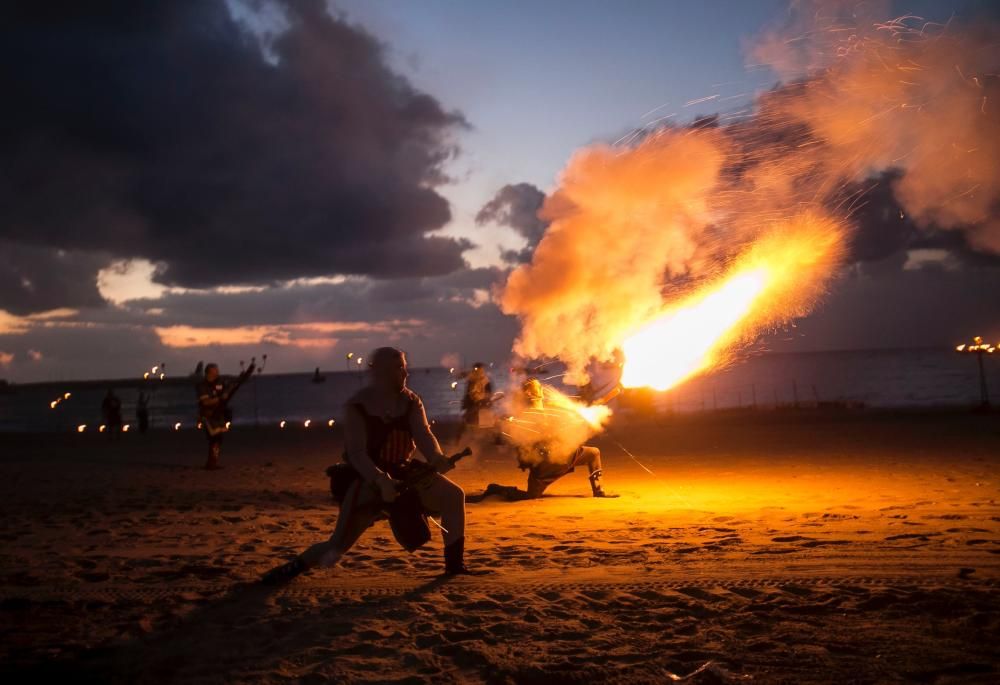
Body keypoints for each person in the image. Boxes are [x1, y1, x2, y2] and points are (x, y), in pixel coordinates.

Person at [262, 347, 477, 583]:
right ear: (383, 372)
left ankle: (454, 566)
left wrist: (436, 457)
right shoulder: (358, 406)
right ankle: (288, 571)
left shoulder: (411, 400)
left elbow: (424, 435)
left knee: (453, 496)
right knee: (336, 546)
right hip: (367, 480)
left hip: (405, 474)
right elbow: (356, 453)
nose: (405, 373)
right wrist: (380, 480)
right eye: (399, 368)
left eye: (404, 366)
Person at [474, 378, 615, 501]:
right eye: (537, 386)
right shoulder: (526, 415)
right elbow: (526, 440)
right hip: (546, 464)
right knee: (530, 496)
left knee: (593, 453)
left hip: (566, 454)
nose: (541, 388)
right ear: (529, 393)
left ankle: (599, 492)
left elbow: (573, 415)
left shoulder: (552, 407)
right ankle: (497, 489)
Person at [196, 361, 254, 470]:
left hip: (219, 414)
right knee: (214, 438)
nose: (218, 373)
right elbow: (205, 402)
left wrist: (241, 378)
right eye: (215, 371)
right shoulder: (202, 386)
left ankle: (212, 463)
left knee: (218, 439)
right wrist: (220, 398)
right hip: (208, 415)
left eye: (217, 371)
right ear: (209, 372)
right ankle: (211, 464)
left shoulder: (220, 382)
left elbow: (230, 386)